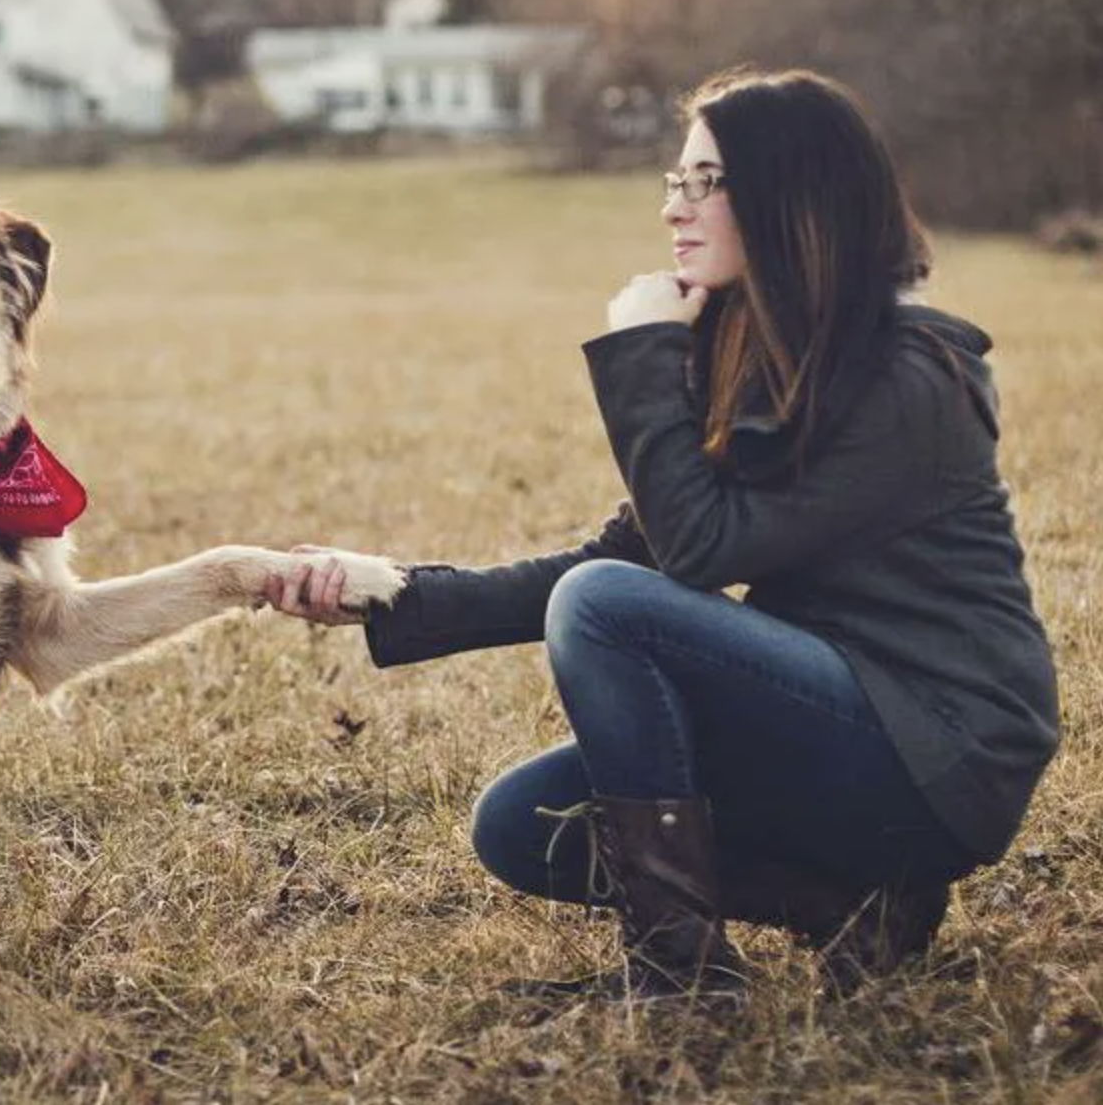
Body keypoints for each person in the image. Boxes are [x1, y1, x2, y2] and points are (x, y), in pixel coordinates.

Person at [265, 68, 1060, 1003]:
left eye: (704, 183)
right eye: (673, 183)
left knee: (604, 609)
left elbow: (692, 556)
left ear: (790, 194)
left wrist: (643, 354)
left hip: (937, 752)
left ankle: (681, 974)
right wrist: (394, 589)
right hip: (826, 718)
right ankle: (854, 904)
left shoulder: (910, 379)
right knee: (523, 825)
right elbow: (628, 555)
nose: (675, 210)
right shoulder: (754, 350)